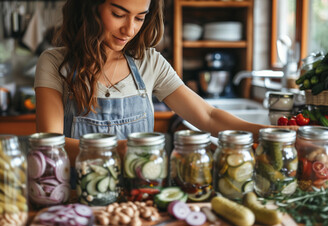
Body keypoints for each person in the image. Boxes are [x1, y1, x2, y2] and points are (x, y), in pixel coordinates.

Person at [35, 0, 297, 166]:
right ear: (91, 8)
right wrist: (116, 149)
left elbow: (208, 116)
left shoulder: (149, 62)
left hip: (140, 195)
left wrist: (270, 134)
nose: (129, 29)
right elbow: (51, 143)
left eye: (140, 17)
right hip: (77, 198)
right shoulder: (56, 63)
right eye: (118, 14)